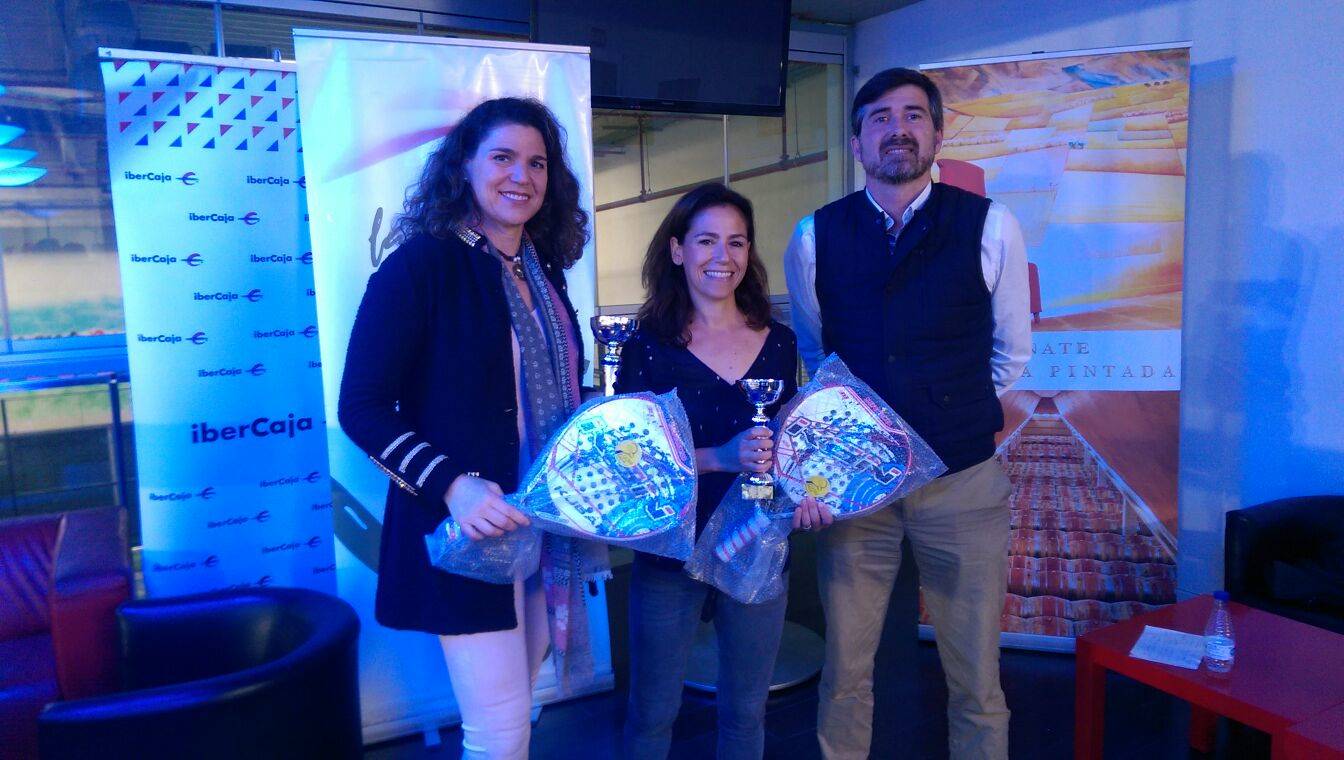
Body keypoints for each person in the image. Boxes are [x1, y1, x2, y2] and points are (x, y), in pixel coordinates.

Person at [338, 97, 603, 760]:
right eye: (503, 158)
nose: (522, 176)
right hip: (468, 531)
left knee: (521, 705)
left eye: (537, 163)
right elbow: (361, 407)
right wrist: (454, 486)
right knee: (500, 730)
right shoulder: (420, 265)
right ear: (463, 166)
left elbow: (543, 395)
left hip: (544, 523)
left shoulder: (542, 271)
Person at [784, 68, 1031, 760]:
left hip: (962, 482)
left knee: (976, 675)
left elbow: (1011, 353)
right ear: (858, 143)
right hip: (857, 488)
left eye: (914, 115)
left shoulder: (991, 225)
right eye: (881, 117)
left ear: (938, 135)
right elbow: (817, 352)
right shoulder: (814, 235)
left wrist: (948, 411)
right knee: (845, 669)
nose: (898, 129)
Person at [616, 183, 832, 759]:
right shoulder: (646, 348)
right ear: (678, 249)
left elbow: (790, 443)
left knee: (745, 714)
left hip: (756, 543)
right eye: (706, 240)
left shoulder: (780, 343)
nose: (723, 256)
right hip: (671, 550)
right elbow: (631, 464)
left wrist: (810, 490)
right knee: (652, 715)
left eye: (736, 242)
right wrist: (719, 457)